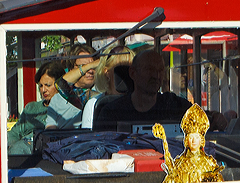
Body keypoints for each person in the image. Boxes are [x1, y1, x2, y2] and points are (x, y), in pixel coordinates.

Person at [92, 50, 229, 132]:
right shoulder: (111, 112)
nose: (156, 76)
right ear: (133, 73)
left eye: (160, 71)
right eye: (149, 69)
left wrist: (217, 117)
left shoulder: (174, 105)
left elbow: (204, 119)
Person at [8, 61, 81, 155]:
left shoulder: (68, 109)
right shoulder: (31, 108)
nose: (43, 90)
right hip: (22, 154)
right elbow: (14, 133)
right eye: (40, 86)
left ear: (60, 86)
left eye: (48, 85)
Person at [81, 46, 134, 129]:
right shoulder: (94, 105)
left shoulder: (140, 102)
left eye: (131, 69)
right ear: (107, 72)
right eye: (121, 69)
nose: (127, 74)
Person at [56, 43, 99, 110]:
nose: (90, 71)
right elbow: (60, 84)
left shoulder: (101, 92)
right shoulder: (78, 95)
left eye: (94, 67)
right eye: (84, 66)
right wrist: (89, 65)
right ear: (71, 69)